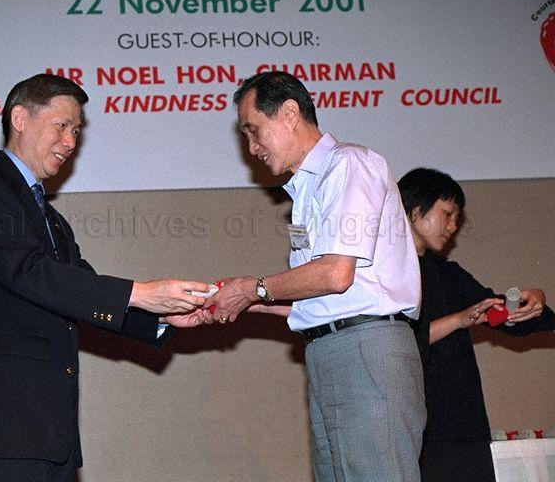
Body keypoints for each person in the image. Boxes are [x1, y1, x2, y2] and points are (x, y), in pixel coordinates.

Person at [0, 73, 208, 482]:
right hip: (5, 426)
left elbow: (79, 291)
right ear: (20, 119)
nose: (70, 142)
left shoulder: (54, 221)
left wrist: (162, 319)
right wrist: (142, 292)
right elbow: (29, 273)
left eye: (77, 131)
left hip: (53, 435)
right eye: (61, 126)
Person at [204, 71, 426, 482]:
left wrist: (253, 288)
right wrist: (237, 299)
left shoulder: (348, 164)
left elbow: (336, 274)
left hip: (365, 349)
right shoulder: (306, 190)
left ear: (289, 114)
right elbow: (319, 296)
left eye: (253, 132)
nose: (251, 149)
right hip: (331, 349)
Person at [397, 167, 555, 482]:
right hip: (416, 428)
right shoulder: (380, 274)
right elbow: (396, 341)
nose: (454, 226)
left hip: (465, 423)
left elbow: (499, 313)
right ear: (415, 212)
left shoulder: (448, 274)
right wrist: (458, 320)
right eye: (447, 213)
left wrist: (532, 301)